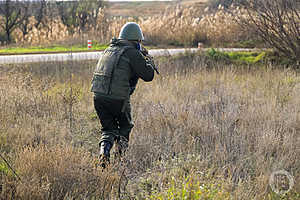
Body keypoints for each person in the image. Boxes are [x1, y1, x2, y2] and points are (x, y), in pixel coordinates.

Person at [91, 22, 157, 168]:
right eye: (139, 41)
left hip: (98, 97)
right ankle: (121, 161)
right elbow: (148, 75)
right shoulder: (132, 53)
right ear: (136, 40)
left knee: (108, 129)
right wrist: (148, 60)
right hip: (118, 98)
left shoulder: (109, 49)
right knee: (125, 127)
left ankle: (104, 153)